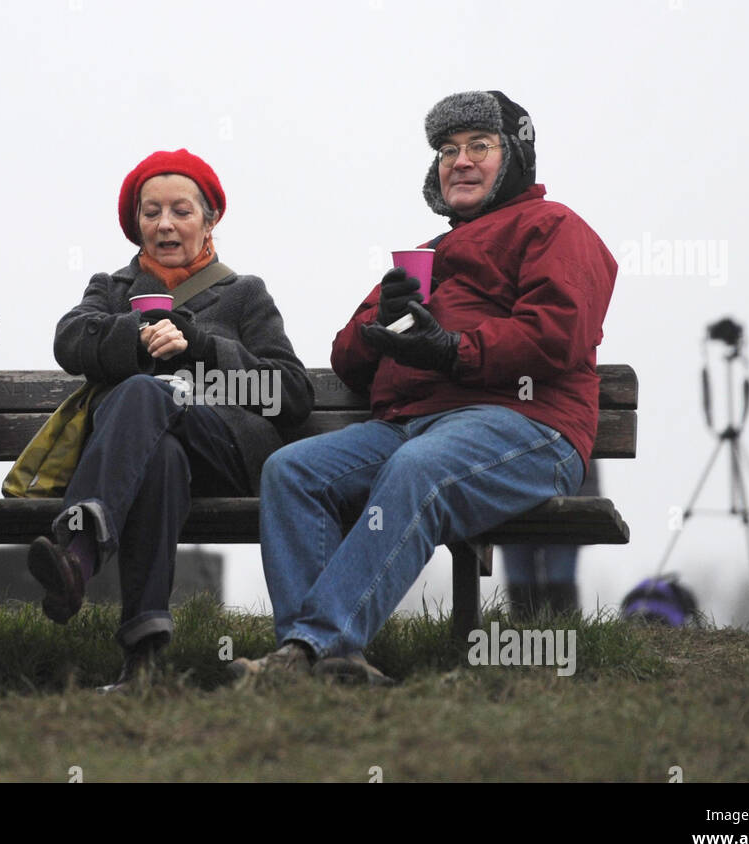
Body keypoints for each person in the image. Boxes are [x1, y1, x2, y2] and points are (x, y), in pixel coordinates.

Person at [234, 91, 617, 685]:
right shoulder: (425, 256)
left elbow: (556, 334)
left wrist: (453, 351)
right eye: (446, 150)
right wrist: (379, 325)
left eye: (479, 146)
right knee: (291, 472)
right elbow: (347, 361)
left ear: (514, 157)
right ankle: (329, 665)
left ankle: (311, 649)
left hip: (527, 426)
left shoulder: (556, 226)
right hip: (411, 425)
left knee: (420, 466)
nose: (459, 160)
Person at [25, 148, 313, 693]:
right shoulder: (111, 290)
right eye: (150, 212)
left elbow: (290, 394)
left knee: (146, 394)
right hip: (144, 463)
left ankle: (79, 556)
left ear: (210, 219)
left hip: (222, 451)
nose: (164, 224)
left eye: (181, 210)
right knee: (158, 453)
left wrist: (199, 346)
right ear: (135, 224)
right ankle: (144, 663)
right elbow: (69, 340)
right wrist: (133, 338)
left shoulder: (244, 293)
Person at [503, 458, 600, 619]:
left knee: (538, 579)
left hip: (558, 510)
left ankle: (525, 633)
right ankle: (563, 634)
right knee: (550, 579)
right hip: (552, 507)